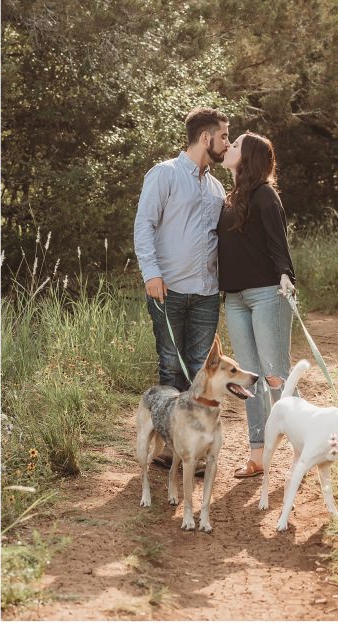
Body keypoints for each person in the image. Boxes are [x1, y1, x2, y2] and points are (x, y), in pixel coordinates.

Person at [134, 107, 229, 469]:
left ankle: (196, 447)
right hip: (168, 289)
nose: (226, 143)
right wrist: (151, 273)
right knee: (171, 368)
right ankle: (171, 447)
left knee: (201, 370)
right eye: (223, 137)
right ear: (206, 138)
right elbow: (144, 225)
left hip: (206, 292)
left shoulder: (217, 186)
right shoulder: (164, 174)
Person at [216, 131, 295, 479]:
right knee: (249, 379)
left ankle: (299, 448)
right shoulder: (230, 198)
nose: (228, 147)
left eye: (234, 145)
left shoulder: (265, 195)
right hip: (235, 298)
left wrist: (285, 277)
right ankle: (258, 455)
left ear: (247, 157)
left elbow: (279, 243)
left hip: (267, 294)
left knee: (275, 373)